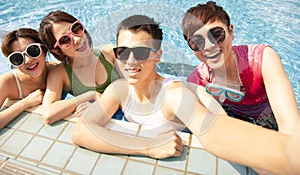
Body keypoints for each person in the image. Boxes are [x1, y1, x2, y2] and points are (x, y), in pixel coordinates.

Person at [72, 15, 297, 174]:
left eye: (140, 52)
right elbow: (81, 131)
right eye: (123, 52)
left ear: (157, 55)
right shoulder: (119, 90)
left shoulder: (174, 95)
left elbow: (215, 132)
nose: (130, 62)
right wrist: (147, 147)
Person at [182, 1, 299, 134]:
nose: (208, 46)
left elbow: (290, 124)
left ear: (231, 32)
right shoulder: (198, 81)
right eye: (197, 42)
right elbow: (224, 129)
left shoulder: (262, 59)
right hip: (233, 116)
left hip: (269, 118)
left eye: (216, 34)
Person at [38, 10, 122, 125]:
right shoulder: (60, 73)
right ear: (57, 50)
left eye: (76, 28)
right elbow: (48, 115)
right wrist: (91, 95)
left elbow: (138, 86)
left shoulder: (109, 53)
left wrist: (101, 101)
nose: (77, 39)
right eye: (65, 40)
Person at [0, 28, 56, 129]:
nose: (28, 60)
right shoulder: (7, 82)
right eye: (17, 58)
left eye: (32, 50)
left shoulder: (55, 70)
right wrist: (26, 103)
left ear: (44, 50)